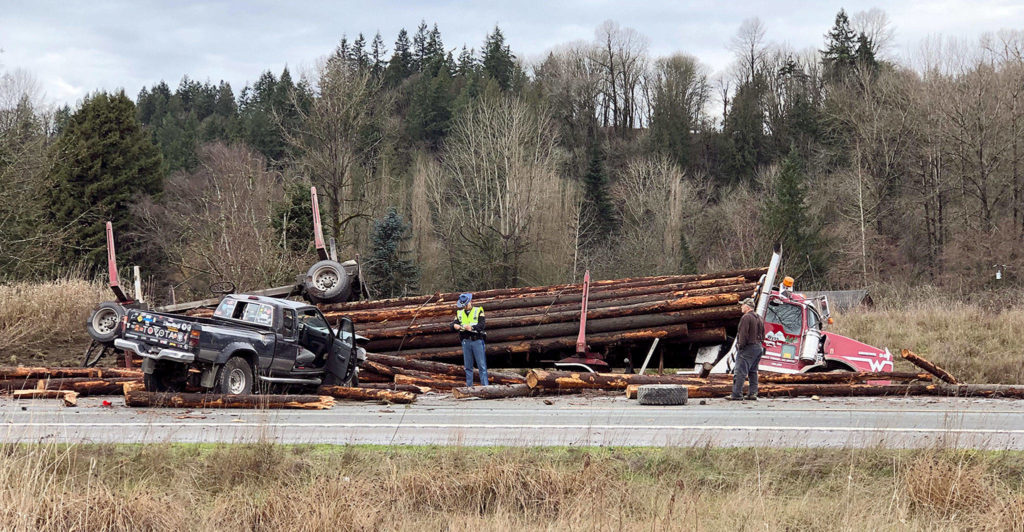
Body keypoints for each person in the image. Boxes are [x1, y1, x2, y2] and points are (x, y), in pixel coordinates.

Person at [728, 297, 765, 401]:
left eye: (742, 305)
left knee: (740, 371)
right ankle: (753, 393)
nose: (741, 307)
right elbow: (763, 335)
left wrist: (740, 346)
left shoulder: (746, 317)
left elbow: (743, 334)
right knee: (753, 371)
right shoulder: (759, 317)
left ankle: (736, 394)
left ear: (747, 306)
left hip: (748, 347)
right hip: (758, 347)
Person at [453, 293, 488, 387]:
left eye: (466, 304)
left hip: (477, 340)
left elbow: (482, 325)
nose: (464, 307)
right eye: (463, 305)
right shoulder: (459, 313)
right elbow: (453, 324)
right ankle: (469, 388)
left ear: (470, 302)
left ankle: (485, 388)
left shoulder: (479, 310)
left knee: (481, 366)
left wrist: (471, 328)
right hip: (466, 341)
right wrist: (454, 326)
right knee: (468, 367)